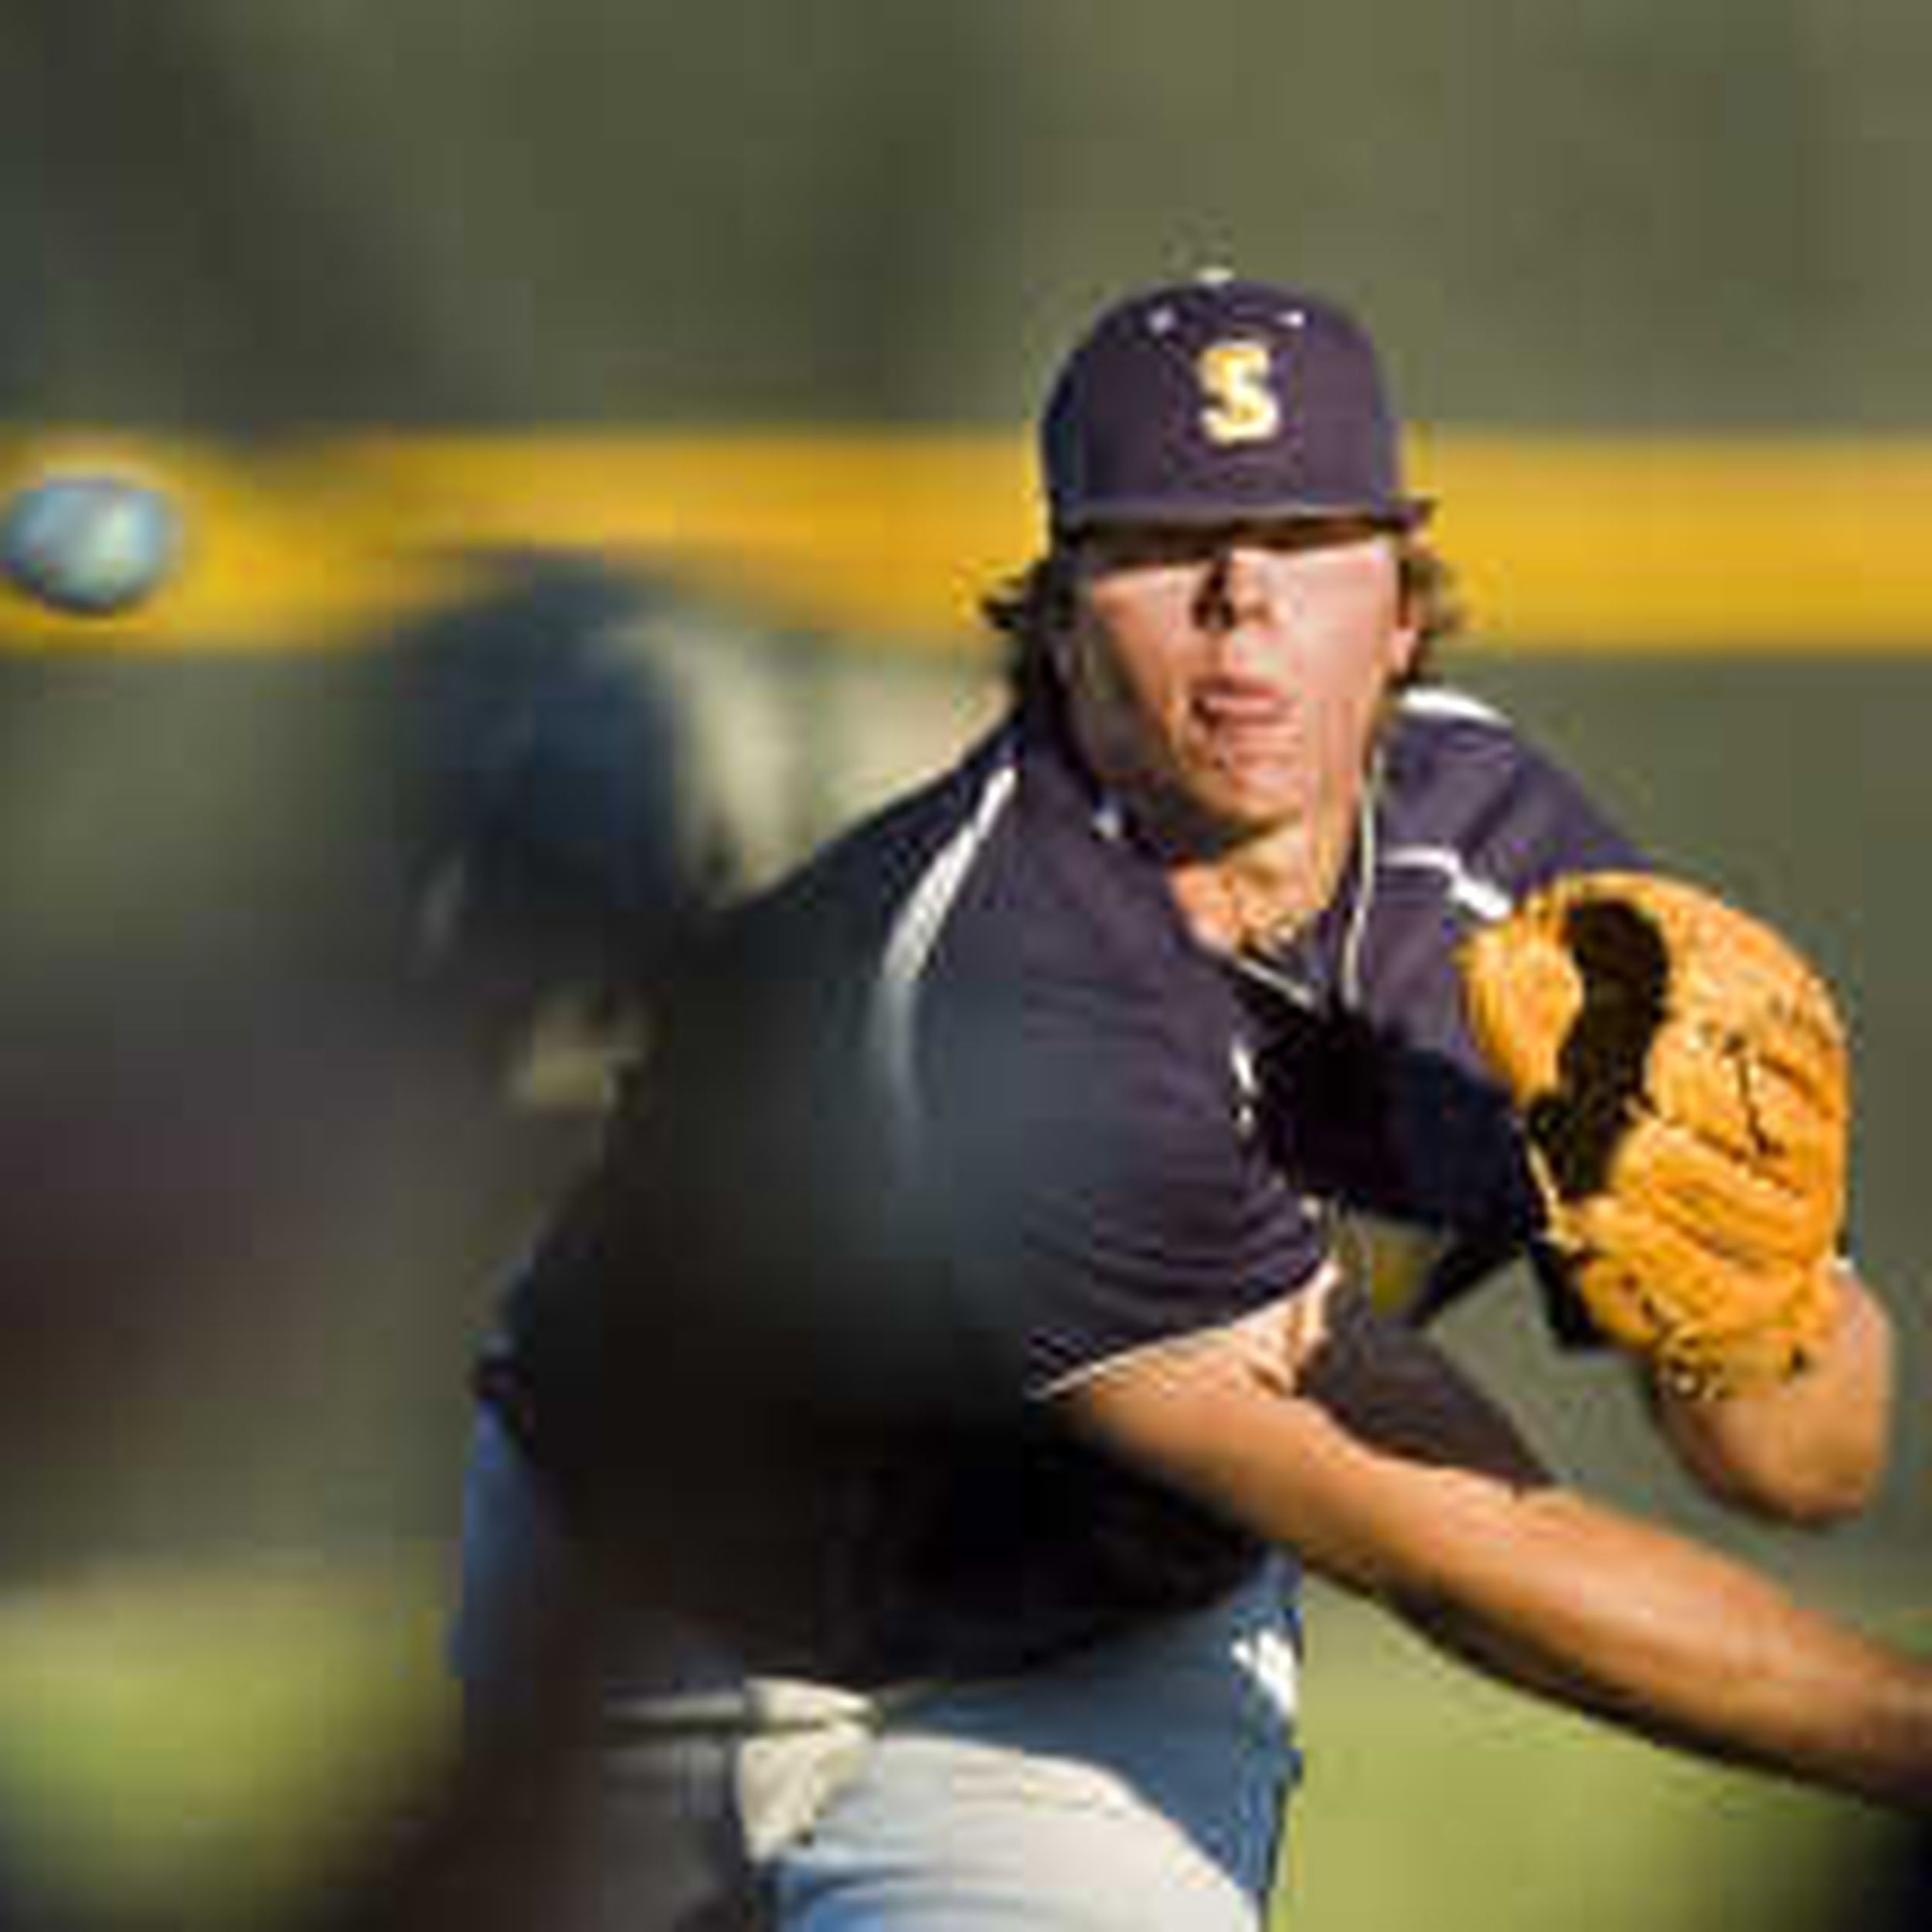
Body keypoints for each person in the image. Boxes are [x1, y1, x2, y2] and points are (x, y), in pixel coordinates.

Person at [452, 270, 1926, 1930]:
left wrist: (1743, 1314)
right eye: (1163, 546)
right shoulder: (1005, 968)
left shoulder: (1510, 872)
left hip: (1075, 1674)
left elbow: (1801, 1465)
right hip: (652, 1608)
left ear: (1401, 603)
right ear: (1061, 613)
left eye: (1305, 536)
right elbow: (1462, 1554)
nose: (1242, 601)